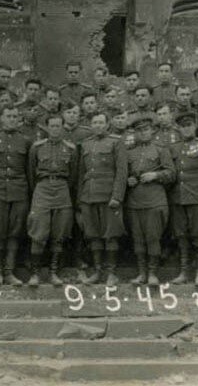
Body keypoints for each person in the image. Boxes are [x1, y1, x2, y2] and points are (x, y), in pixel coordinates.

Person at [0, 106, 34, 286]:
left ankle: (9, 273)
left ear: (19, 119)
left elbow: (29, 170)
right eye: (8, 116)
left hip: (18, 191)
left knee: (15, 232)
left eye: (15, 116)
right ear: (1, 119)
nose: (12, 119)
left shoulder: (26, 141)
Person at [26, 114, 80, 286]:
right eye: (52, 126)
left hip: (62, 189)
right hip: (42, 188)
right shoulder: (37, 147)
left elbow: (73, 176)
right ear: (47, 128)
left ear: (63, 127)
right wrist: (41, 187)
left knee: (59, 232)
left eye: (58, 126)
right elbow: (30, 173)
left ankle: (53, 272)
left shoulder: (70, 148)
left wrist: (62, 186)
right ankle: (35, 274)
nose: (55, 129)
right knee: (38, 231)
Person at [168, 112, 198, 287]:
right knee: (181, 235)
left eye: (189, 125)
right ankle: (183, 272)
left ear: (195, 126)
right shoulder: (174, 147)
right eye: (183, 126)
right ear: (179, 128)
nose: (186, 128)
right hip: (178, 198)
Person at [77, 112, 127, 286]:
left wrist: (117, 196)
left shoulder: (116, 142)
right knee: (93, 235)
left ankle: (111, 273)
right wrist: (80, 199)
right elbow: (81, 174)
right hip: (88, 196)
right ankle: (98, 271)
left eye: (101, 122)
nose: (98, 125)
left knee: (111, 234)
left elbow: (121, 172)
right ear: (91, 125)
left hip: (108, 196)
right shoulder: (86, 144)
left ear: (107, 125)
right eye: (95, 122)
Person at [124, 117, 175, 286]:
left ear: (152, 130)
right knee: (138, 238)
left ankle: (153, 273)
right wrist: (129, 180)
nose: (143, 133)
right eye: (139, 130)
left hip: (155, 200)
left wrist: (156, 175)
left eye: (145, 130)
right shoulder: (129, 152)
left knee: (153, 237)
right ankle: (142, 273)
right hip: (135, 201)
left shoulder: (161, 150)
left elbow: (172, 173)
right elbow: (123, 173)